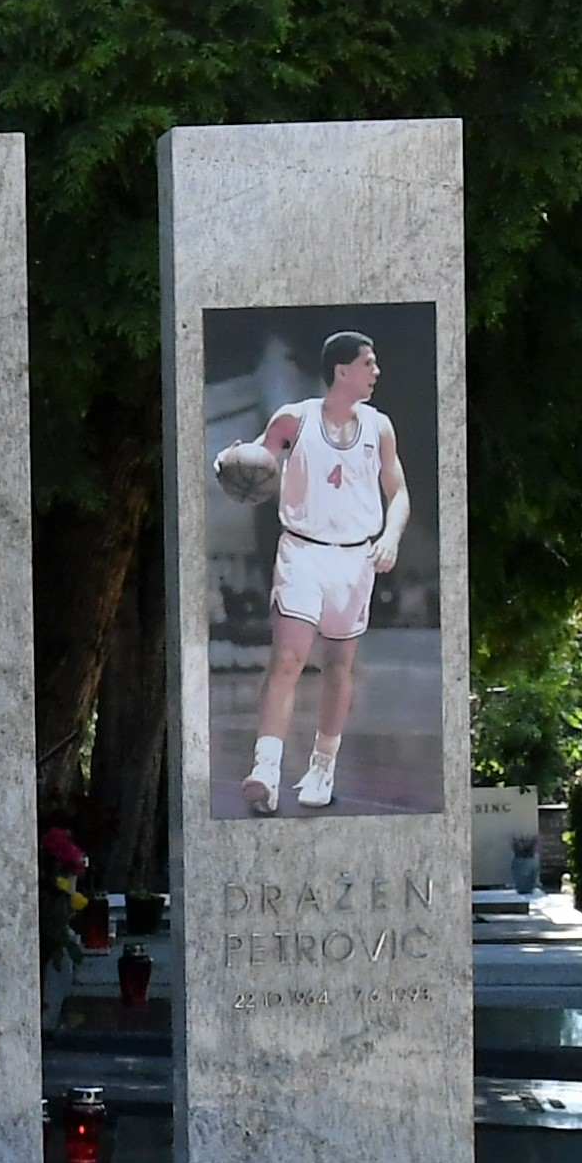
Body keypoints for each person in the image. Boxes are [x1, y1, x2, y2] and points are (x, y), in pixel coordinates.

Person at [217, 328, 408, 812]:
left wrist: (390, 536)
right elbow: (257, 461)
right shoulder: (293, 419)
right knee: (288, 658)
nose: (376, 371)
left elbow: (399, 492)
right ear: (342, 370)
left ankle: (322, 768)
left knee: (338, 667)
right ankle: (266, 769)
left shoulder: (380, 428)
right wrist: (232, 463)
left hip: (355, 559)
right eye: (368, 363)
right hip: (302, 552)